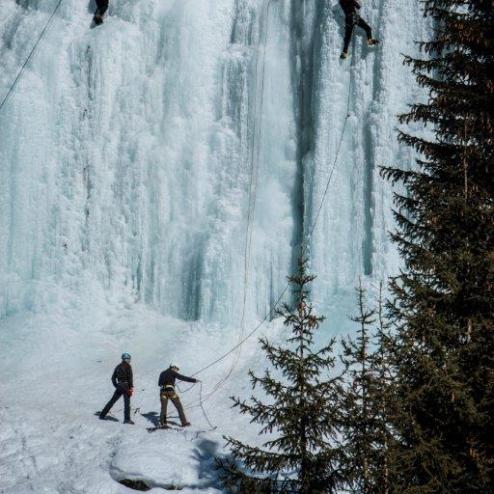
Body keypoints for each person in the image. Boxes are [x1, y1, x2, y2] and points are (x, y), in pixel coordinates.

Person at [158, 364, 198, 428]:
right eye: (177, 369)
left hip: (162, 392)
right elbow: (182, 377)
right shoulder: (172, 372)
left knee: (163, 408)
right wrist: (194, 380)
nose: (177, 371)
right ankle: (184, 423)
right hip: (171, 391)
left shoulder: (162, 373)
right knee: (179, 406)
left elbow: (159, 384)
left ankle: (163, 424)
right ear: (174, 367)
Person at [99, 353, 135, 424]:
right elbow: (130, 378)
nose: (130, 360)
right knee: (127, 403)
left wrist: (117, 386)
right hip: (126, 385)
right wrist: (130, 388)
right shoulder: (128, 366)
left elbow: (113, 378)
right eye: (129, 359)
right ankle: (127, 419)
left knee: (112, 401)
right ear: (126, 359)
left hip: (119, 385)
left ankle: (102, 415)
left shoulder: (118, 366)